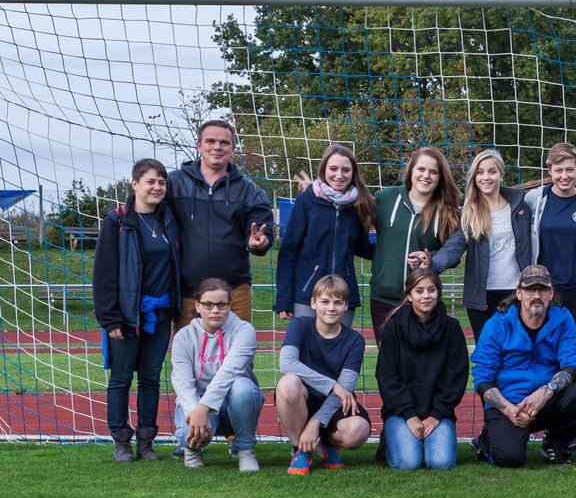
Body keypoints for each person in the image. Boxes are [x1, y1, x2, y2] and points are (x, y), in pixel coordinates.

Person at [92, 158, 181, 462]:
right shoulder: (116, 222)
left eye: (162, 182)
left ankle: (146, 442)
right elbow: (103, 274)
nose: (157, 187)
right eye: (150, 181)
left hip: (161, 313)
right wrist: (110, 317)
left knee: (151, 378)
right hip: (127, 315)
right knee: (120, 379)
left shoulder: (169, 220)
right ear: (135, 184)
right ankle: (121, 442)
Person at [470, 265, 576, 467]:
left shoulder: (563, 319)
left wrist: (546, 392)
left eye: (543, 290)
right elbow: (482, 377)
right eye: (529, 290)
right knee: (510, 459)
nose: (536, 296)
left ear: (551, 293)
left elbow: (573, 363)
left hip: (545, 399)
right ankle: (487, 439)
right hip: (509, 402)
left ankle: (555, 443)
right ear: (518, 293)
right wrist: (508, 409)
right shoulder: (497, 324)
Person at [167, 119, 273, 328]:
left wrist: (259, 242)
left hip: (234, 291)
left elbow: (263, 229)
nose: (217, 147)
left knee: (238, 357)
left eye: (224, 143)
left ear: (233, 149)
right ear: (199, 146)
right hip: (189, 292)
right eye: (210, 141)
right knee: (190, 357)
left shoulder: (249, 190)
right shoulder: (173, 184)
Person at [374, 269, 469, 471]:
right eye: (419, 291)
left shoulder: (451, 328)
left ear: (438, 292)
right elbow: (387, 377)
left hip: (438, 412)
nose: (426, 296)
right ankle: (391, 442)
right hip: (401, 412)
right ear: (409, 296)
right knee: (408, 462)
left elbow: (456, 377)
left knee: (441, 463)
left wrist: (436, 414)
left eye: (431, 290)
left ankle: (424, 442)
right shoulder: (393, 327)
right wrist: (409, 415)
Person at [275, 275, 372, 475]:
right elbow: (287, 363)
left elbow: (345, 389)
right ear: (313, 303)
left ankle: (326, 445)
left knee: (358, 431)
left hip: (335, 403)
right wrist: (333, 385)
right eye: (325, 301)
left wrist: (315, 423)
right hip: (304, 399)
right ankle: (300, 451)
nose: (331, 308)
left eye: (338, 302)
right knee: (287, 384)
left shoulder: (355, 341)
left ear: (346, 306)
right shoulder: (299, 325)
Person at [367, 147, 464, 343]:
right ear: (411, 170)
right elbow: (353, 219)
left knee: (421, 365)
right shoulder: (383, 199)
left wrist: (431, 259)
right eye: (421, 169)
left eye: (433, 171)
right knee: (390, 365)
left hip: (423, 301)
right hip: (383, 299)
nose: (426, 175)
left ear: (440, 177)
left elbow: (452, 254)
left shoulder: (448, 212)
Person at [275, 144, 375, 327]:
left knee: (338, 352)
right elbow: (289, 252)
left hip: (343, 294)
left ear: (353, 173)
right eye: (333, 169)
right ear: (323, 169)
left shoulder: (360, 205)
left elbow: (363, 247)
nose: (339, 175)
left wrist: (394, 247)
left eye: (346, 170)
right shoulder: (307, 201)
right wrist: (284, 298)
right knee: (305, 352)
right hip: (307, 293)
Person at [170, 278, 264, 472]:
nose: (215, 310)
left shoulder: (244, 330)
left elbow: (229, 373)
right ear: (197, 306)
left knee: (243, 387)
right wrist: (195, 411)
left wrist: (203, 408)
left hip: (232, 402)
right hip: (198, 404)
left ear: (230, 305)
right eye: (208, 304)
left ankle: (245, 450)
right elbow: (182, 381)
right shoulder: (183, 336)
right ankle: (192, 450)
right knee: (185, 431)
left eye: (222, 304)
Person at [525, 142, 576, 350]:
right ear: (550, 171)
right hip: (548, 290)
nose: (564, 175)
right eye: (558, 170)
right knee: (547, 348)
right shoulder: (536, 199)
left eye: (570, 169)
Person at [457, 149, 532, 340]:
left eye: (492, 171)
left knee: (516, 352)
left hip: (516, 293)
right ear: (474, 177)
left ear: (501, 174)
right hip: (482, 295)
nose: (486, 177)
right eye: (480, 172)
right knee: (487, 355)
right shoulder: (468, 212)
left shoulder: (521, 207)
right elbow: (453, 246)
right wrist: (432, 263)